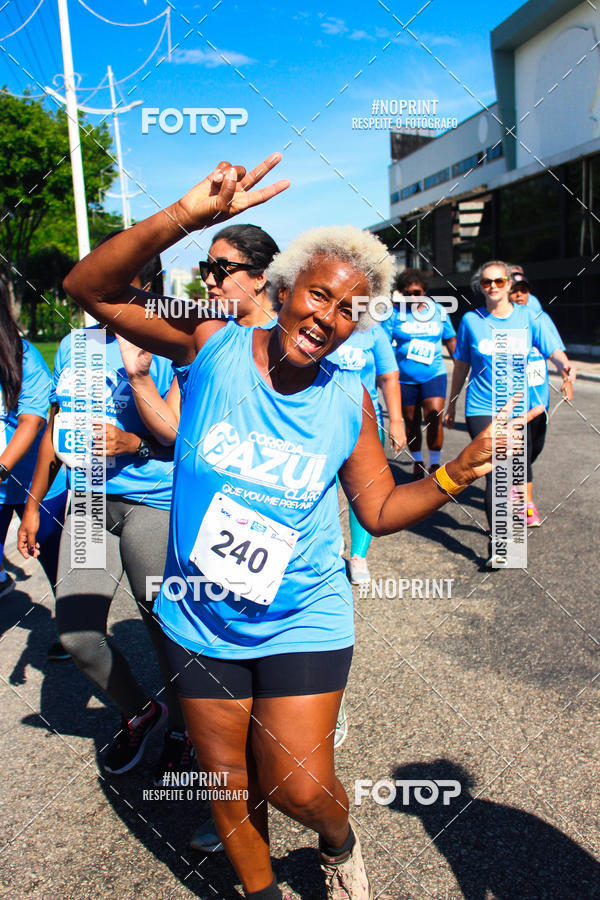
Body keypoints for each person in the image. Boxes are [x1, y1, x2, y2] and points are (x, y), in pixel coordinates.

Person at [61, 153, 526, 900]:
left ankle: (338, 842)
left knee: (297, 786)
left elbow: (376, 509)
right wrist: (187, 218)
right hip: (200, 610)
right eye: (319, 296)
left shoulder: (348, 402)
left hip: (302, 611)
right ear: (283, 292)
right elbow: (88, 287)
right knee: (227, 782)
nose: (330, 318)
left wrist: (457, 473)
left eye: (350, 310)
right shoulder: (209, 347)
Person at [117, 222, 281, 854]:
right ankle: (243, 830)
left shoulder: (295, 342)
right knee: (224, 696)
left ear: (261, 274)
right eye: (205, 270)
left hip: (272, 534)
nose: (208, 281)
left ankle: (308, 821)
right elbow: (173, 429)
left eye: (222, 269)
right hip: (211, 540)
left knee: (272, 709)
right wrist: (136, 380)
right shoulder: (205, 342)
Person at [18, 245, 194, 785]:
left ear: (143, 286)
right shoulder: (75, 344)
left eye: (115, 282)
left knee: (165, 626)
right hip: (89, 499)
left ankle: (187, 731)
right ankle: (142, 712)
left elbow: (184, 437)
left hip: (152, 498)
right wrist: (32, 504)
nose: (100, 293)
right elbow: (57, 423)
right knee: (75, 635)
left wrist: (132, 440)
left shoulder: (169, 341)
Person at [444, 260, 576, 566]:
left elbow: (552, 350)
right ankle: (500, 545)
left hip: (520, 410)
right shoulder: (470, 321)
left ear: (508, 284)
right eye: (487, 282)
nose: (493, 287)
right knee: (496, 472)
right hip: (481, 407)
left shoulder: (529, 317)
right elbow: (461, 364)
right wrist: (451, 403)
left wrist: (566, 368)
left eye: (499, 281)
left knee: (513, 469)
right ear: (480, 286)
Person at [0, 282, 68, 634]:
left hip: (38, 483)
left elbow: (33, 420)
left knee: (56, 564)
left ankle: (74, 629)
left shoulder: (24, 356)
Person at [328, 319, 406, 584]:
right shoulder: (323, 322)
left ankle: (358, 557)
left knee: (362, 493)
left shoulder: (373, 331)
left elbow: (388, 376)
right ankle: (329, 542)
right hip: (322, 420)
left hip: (366, 424)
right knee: (323, 487)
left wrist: (396, 420)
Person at [508, 274, 571, 526]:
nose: (520, 295)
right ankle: (527, 506)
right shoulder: (501, 322)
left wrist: (566, 375)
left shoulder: (539, 317)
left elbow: (556, 352)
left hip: (539, 402)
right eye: (515, 291)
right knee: (522, 454)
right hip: (513, 403)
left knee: (535, 449)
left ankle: (515, 481)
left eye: (524, 290)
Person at [383, 268, 456, 479]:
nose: (412, 297)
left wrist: (462, 363)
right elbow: (384, 346)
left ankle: (434, 463)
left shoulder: (439, 311)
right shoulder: (394, 315)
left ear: (424, 292)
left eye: (417, 292)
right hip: (405, 377)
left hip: (434, 373)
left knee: (434, 415)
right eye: (407, 293)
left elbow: (450, 338)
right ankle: (417, 460)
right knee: (411, 420)